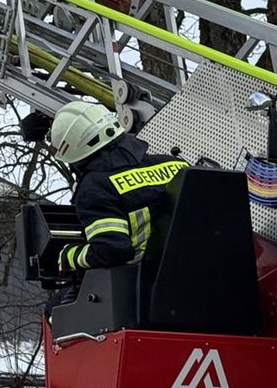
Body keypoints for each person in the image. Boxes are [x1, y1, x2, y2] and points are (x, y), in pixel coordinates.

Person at [41, 100, 187, 272]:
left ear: (72, 152)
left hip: (156, 283)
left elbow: (112, 250)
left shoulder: (95, 188)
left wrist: (68, 257)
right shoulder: (175, 165)